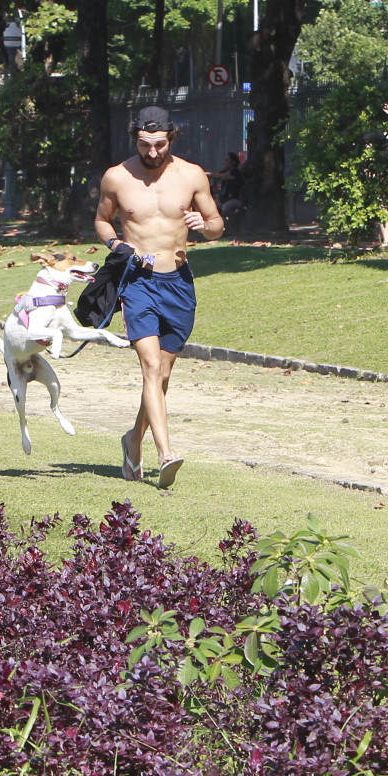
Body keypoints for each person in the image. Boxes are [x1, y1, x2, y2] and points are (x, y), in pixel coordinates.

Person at [95, 106, 225, 489]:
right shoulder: (117, 177)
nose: (152, 153)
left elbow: (216, 225)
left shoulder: (191, 175)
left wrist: (206, 226)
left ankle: (132, 439)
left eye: (160, 144)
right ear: (135, 137)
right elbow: (102, 220)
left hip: (178, 283)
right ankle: (165, 454)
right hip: (137, 282)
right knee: (151, 367)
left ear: (172, 137)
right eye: (145, 145)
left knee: (163, 374)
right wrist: (116, 243)